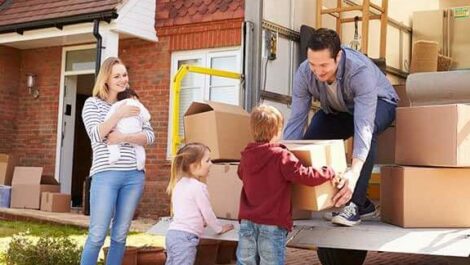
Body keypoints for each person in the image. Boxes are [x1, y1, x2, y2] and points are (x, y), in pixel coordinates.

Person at [283, 28, 399, 227]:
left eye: (324, 65)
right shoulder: (304, 72)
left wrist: (353, 173)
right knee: (312, 138)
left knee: (367, 133)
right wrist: (281, 158)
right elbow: (296, 120)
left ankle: (353, 205)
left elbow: (363, 127)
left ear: (338, 56)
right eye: (313, 64)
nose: (318, 71)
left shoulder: (359, 71)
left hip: (381, 104)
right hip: (341, 110)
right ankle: (355, 203)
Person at [237, 104, 336, 265]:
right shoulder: (281, 156)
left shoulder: (247, 155)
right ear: (277, 131)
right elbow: (305, 176)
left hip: (247, 222)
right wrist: (328, 171)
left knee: (245, 262)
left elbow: (241, 174)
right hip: (272, 224)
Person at [80, 57, 155, 265]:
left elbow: (149, 136)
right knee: (97, 234)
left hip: (134, 176)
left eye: (124, 75)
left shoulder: (134, 103)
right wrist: (118, 114)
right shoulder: (92, 104)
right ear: (106, 79)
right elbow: (96, 134)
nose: (123, 79)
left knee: (120, 234)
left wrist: (124, 137)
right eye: (117, 76)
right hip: (106, 176)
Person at [165, 143, 234, 265]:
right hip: (186, 238)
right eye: (207, 161)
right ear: (194, 165)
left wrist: (200, 221)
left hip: (172, 234)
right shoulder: (198, 187)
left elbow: (185, 210)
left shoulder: (179, 184)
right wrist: (219, 228)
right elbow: (207, 212)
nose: (211, 164)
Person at [105, 88, 151, 170]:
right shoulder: (138, 104)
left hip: (120, 131)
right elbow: (147, 117)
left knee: (112, 143)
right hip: (135, 133)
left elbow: (109, 117)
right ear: (134, 97)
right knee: (139, 148)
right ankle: (141, 163)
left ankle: (114, 155)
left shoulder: (118, 104)